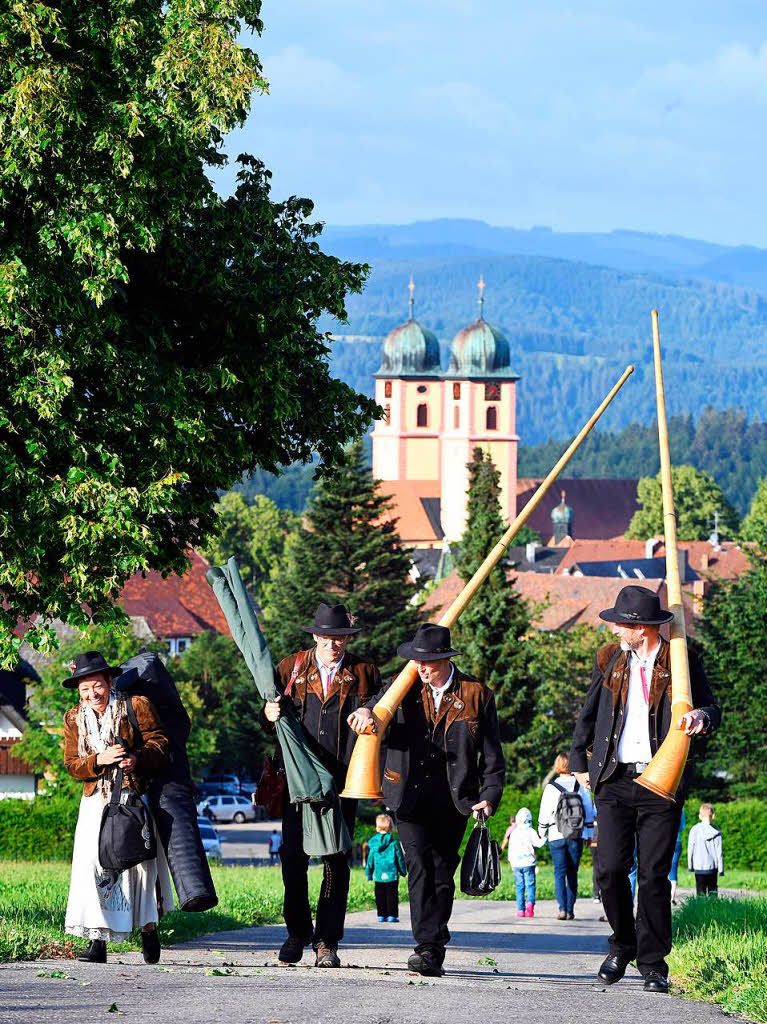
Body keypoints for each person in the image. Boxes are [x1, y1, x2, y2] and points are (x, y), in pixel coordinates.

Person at [569, 585, 720, 994]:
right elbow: (588, 715)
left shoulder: (681, 662)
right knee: (609, 869)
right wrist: (579, 764)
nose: (615, 629)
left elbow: (711, 708)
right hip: (614, 779)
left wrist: (701, 718)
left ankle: (653, 963)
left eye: (621, 623)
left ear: (642, 628)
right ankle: (622, 944)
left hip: (662, 780)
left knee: (654, 876)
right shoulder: (610, 660)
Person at [348, 623, 504, 978]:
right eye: (417, 661)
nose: (421, 667)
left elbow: (492, 755)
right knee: (418, 862)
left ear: (445, 659)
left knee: (442, 872)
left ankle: (435, 938)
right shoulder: (402, 686)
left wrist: (489, 796)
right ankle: (426, 946)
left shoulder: (477, 694)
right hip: (408, 796)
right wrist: (366, 712)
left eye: (428, 662)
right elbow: (376, 706)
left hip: (455, 799)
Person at [263, 603, 381, 968]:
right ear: (315, 636)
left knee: (336, 861)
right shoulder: (290, 668)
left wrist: (370, 710)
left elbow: (387, 702)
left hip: (343, 781)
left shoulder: (364, 672)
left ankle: (327, 941)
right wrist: (267, 714)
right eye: (329, 637)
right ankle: (297, 933)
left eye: (341, 638)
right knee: (293, 859)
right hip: (297, 780)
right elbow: (268, 719)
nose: (335, 644)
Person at [62, 651, 173, 965]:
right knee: (94, 867)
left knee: (137, 866)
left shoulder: (134, 706)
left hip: (131, 797)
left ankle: (148, 929)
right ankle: (98, 941)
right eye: (84, 689)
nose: (91, 694)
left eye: (96, 686)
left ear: (109, 681)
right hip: (95, 801)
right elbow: (71, 765)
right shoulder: (73, 718)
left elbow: (160, 742)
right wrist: (99, 760)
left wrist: (135, 758)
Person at [538, 753, 595, 920]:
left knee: (559, 873)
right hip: (576, 835)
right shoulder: (581, 786)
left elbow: (544, 813)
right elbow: (589, 812)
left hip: (556, 834)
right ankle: (570, 910)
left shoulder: (551, 787)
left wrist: (542, 833)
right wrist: (589, 835)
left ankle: (562, 909)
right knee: (572, 873)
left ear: (557, 765)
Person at [502, 807, 545, 918]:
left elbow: (510, 850)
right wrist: (545, 837)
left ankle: (521, 910)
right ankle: (530, 906)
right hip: (529, 863)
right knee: (530, 886)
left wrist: (511, 863)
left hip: (517, 864)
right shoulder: (531, 831)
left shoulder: (514, 833)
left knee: (519, 887)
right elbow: (538, 843)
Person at [365, 813, 407, 922]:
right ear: (391, 827)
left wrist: (369, 874)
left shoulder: (374, 844)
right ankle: (392, 915)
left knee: (379, 895)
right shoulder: (394, 842)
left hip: (378, 874)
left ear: (377, 827)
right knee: (392, 895)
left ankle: (381, 915)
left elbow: (370, 860)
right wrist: (403, 871)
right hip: (392, 874)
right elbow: (400, 858)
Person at [687, 804, 723, 896]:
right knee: (713, 894)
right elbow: (719, 852)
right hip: (712, 869)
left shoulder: (694, 830)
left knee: (700, 894)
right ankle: (713, 910)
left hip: (698, 867)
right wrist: (721, 869)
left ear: (700, 816)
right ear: (713, 816)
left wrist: (690, 866)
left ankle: (700, 910)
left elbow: (690, 849)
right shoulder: (717, 831)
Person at [669, 809, 686, 904]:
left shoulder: (663, 804)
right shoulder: (681, 809)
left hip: (665, 840)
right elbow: (683, 826)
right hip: (677, 840)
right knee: (673, 867)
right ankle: (672, 896)